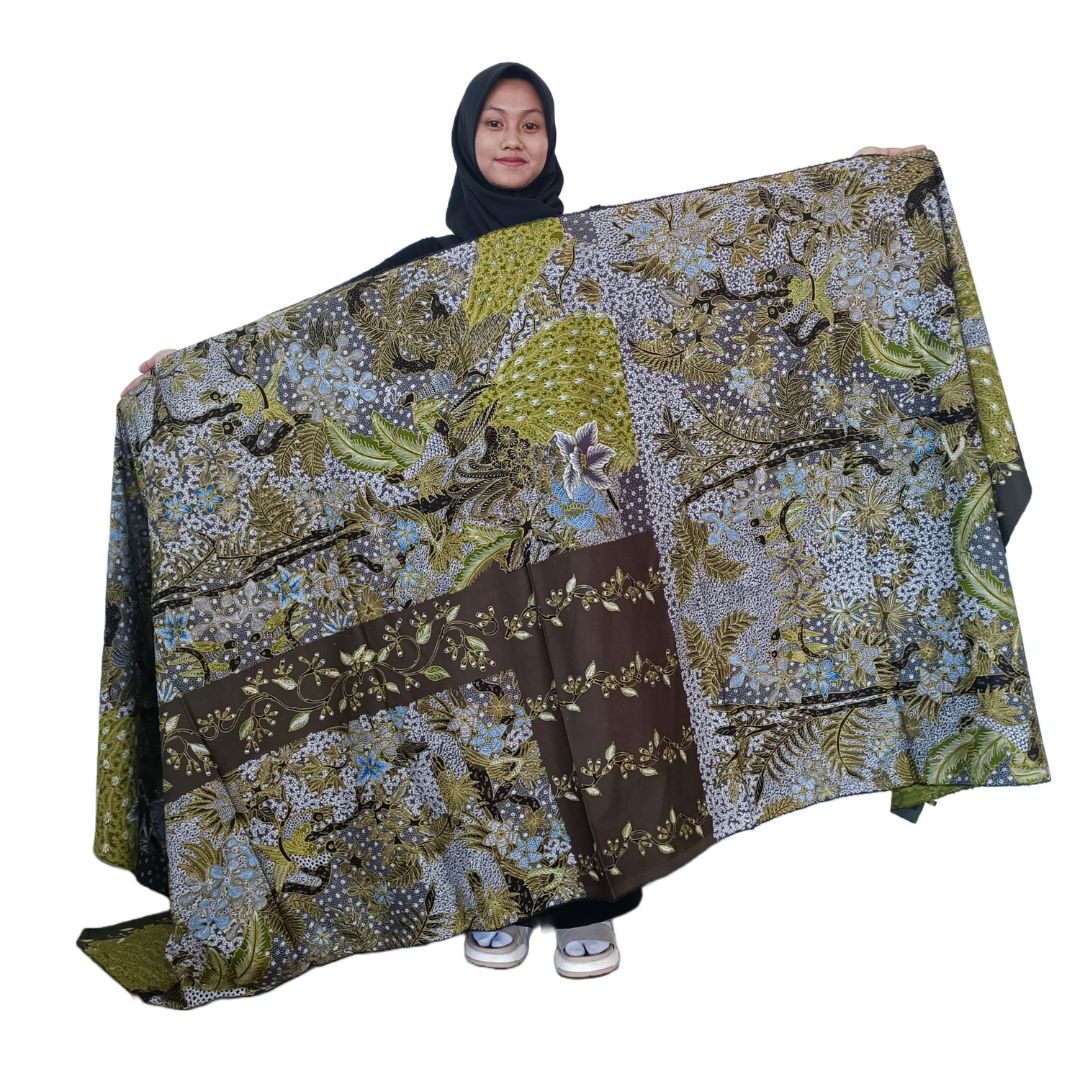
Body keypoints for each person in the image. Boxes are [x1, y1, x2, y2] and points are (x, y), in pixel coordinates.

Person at [116, 62, 925, 978]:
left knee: (603, 712)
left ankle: (594, 905)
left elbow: (726, 264)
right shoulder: (425, 268)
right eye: (495, 123)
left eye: (530, 124)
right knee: (493, 717)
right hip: (479, 542)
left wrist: (863, 191)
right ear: (467, 139)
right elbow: (310, 351)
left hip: (594, 529)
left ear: (551, 141)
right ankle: (498, 897)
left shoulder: (598, 245)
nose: (512, 139)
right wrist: (193, 375)